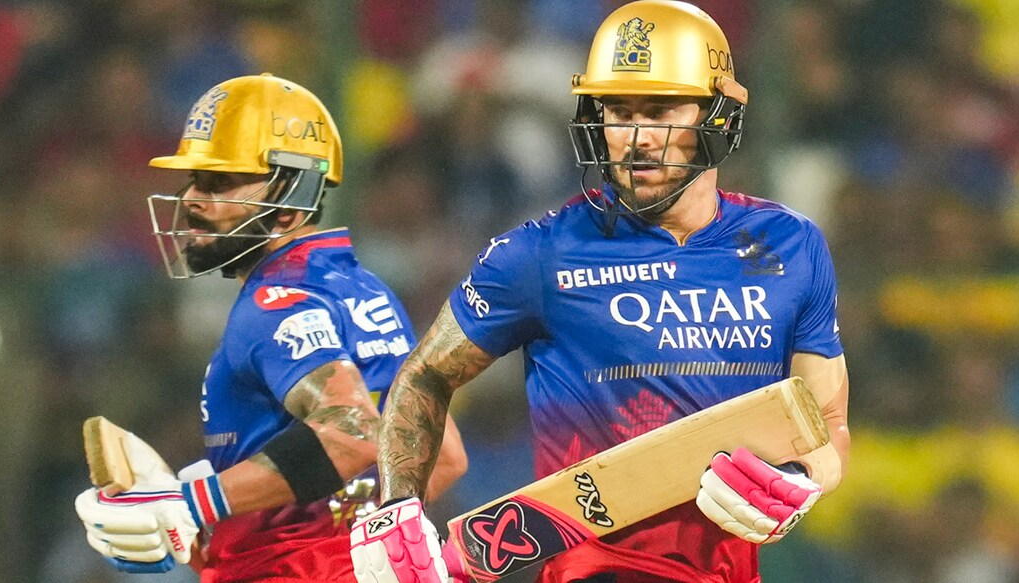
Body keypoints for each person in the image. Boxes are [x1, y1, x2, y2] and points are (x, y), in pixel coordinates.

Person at [348, 2, 850, 582]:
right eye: (618, 111)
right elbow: (426, 373)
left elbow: (828, 421)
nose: (635, 137)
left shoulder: (792, 245)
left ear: (718, 115)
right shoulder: (538, 254)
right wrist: (395, 507)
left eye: (660, 110)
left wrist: (802, 480)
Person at [72, 73, 468, 582]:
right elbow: (445, 455)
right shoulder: (364, 289)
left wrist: (191, 503)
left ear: (290, 194)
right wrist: (238, 512)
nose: (192, 198)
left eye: (219, 182)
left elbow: (351, 434)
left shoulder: (269, 304)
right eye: (194, 179)